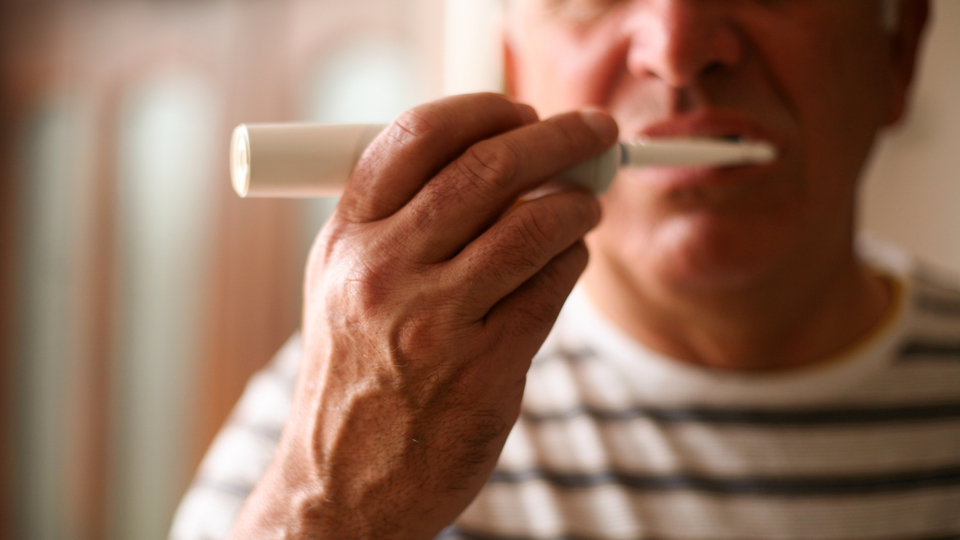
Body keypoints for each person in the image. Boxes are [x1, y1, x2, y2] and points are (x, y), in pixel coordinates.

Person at [171, 0, 960, 538]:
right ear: (517, 74)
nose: (678, 48)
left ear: (899, 52)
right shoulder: (341, 410)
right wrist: (336, 507)